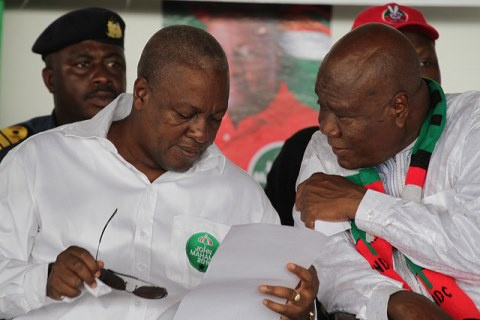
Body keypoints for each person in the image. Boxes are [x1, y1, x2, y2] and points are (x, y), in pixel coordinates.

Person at [0, 25, 318, 320]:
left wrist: (299, 310)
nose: (201, 133)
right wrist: (44, 280)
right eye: (185, 114)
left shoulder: (242, 196)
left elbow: (271, 300)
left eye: (215, 117)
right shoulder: (39, 160)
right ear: (142, 94)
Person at [295, 23, 480, 319]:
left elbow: (475, 248)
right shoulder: (322, 149)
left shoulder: (472, 125)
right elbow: (328, 260)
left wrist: (362, 205)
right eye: (322, 105)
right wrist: (392, 301)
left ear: (398, 108)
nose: (326, 127)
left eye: (343, 114)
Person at [265, 2, 441, 226]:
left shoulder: (465, 138)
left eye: (422, 62)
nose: (405, 73)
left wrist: (361, 204)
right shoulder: (307, 150)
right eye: (379, 63)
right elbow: (284, 246)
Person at [0, 7, 127, 162]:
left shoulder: (148, 148)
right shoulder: (14, 153)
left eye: (114, 65)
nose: (103, 77)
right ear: (50, 79)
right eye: (84, 64)